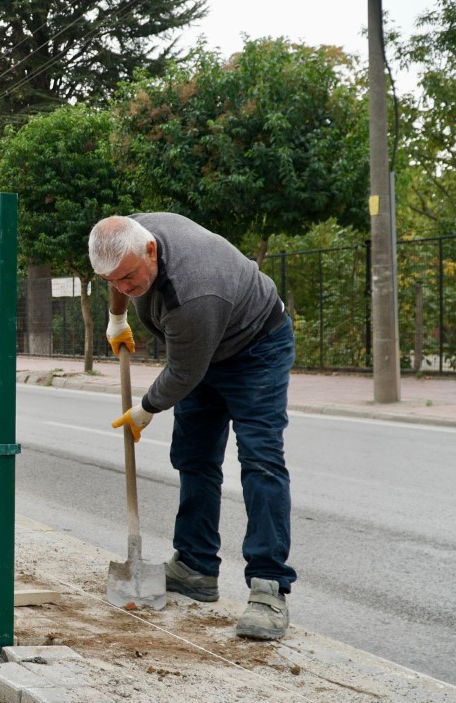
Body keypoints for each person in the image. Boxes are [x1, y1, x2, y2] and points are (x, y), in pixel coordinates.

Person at [89, 213, 295, 641]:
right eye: (114, 281)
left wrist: (145, 409)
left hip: (255, 348)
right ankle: (195, 567)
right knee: (193, 456)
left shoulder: (194, 290)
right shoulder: (128, 236)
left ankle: (269, 587)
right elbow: (117, 276)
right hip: (205, 347)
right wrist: (117, 318)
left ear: (151, 250)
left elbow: (183, 374)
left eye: (130, 278)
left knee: (260, 461)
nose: (125, 287)